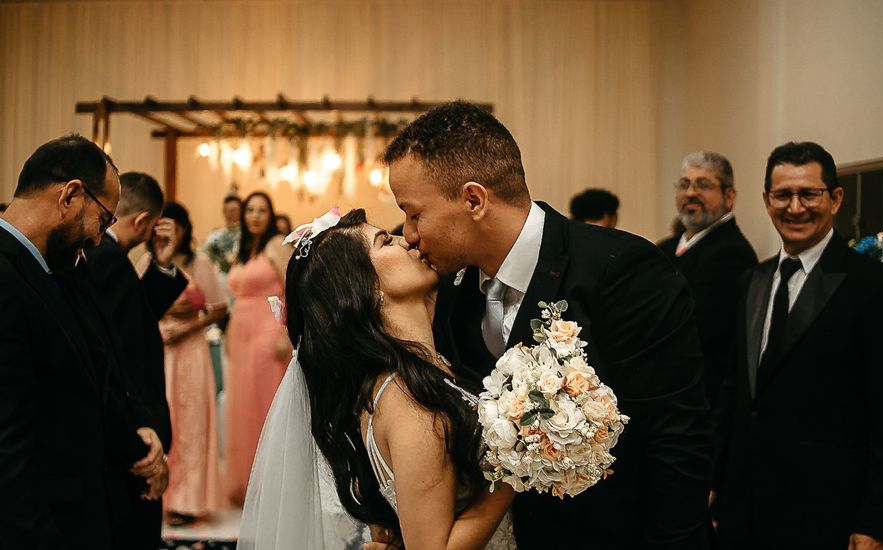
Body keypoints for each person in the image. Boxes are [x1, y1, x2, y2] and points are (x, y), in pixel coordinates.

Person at [384, 101, 712, 548]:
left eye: (414, 213)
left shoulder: (624, 271)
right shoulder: (450, 292)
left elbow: (678, 442)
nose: (408, 234)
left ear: (474, 200)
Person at [238, 208, 516, 549]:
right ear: (364, 288)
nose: (408, 240)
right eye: (386, 241)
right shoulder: (407, 399)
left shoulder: (422, 371)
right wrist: (516, 469)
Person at [713, 141, 883, 549]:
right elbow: (734, 394)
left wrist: (877, 522)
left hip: (828, 514)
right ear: (766, 200)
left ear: (836, 198)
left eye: (808, 194)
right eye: (783, 195)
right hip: (746, 509)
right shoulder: (751, 282)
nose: (795, 207)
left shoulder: (878, 287)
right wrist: (716, 482)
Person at [0, 135, 167, 549]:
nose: (98, 239)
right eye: (103, 219)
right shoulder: (5, 279)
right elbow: (8, 450)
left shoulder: (53, 272)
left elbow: (94, 373)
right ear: (70, 196)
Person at [84, 170, 187, 549]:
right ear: (143, 222)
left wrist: (161, 264)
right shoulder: (109, 259)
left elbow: (134, 317)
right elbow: (121, 355)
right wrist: (143, 438)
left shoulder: (105, 257)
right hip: (130, 428)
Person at [137, 201, 227, 526]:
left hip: (190, 348)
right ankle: (157, 493)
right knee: (163, 414)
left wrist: (188, 325)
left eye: (174, 225)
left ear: (185, 229)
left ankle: (187, 501)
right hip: (157, 347)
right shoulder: (147, 261)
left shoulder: (199, 262)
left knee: (190, 421)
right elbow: (134, 305)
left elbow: (219, 307)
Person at [657, 151, 757, 410]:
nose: (690, 193)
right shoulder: (664, 248)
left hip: (701, 399)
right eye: (684, 184)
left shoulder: (732, 253)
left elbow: (696, 330)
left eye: (703, 184)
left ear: (729, 196)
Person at [223, 190, 293, 505]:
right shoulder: (243, 250)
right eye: (250, 209)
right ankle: (246, 481)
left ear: (270, 214)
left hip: (267, 329)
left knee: (264, 405)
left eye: (261, 210)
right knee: (241, 406)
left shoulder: (275, 244)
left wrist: (286, 332)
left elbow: (293, 284)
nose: (254, 215)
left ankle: (270, 485)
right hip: (240, 332)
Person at [204, 194, 242, 275]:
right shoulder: (214, 235)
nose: (230, 214)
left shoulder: (246, 236)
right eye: (227, 210)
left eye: (234, 210)